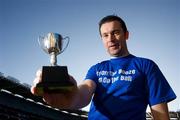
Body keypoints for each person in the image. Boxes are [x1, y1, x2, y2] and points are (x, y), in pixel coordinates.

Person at [31, 15, 176, 120]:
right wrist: (70, 97)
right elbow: (85, 91)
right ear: (102, 39)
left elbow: (160, 114)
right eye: (105, 35)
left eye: (115, 33)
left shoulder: (146, 65)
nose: (110, 39)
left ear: (126, 35)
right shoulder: (96, 69)